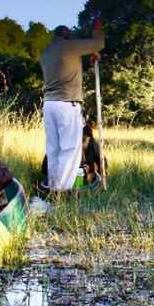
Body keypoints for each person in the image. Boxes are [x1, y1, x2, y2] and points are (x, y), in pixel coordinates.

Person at [39, 20, 105, 192]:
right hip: (67, 104)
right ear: (67, 35)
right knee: (69, 149)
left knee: (53, 148)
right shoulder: (69, 46)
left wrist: (89, 58)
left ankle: (53, 184)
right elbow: (99, 43)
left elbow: (66, 69)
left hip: (49, 104)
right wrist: (97, 30)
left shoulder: (46, 52)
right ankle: (61, 191)